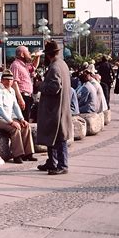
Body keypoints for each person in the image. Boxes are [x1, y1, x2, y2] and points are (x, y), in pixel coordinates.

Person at [36, 41, 72, 175]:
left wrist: (41, 85)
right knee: (53, 135)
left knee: (59, 136)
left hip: (55, 108)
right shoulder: (62, 64)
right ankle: (52, 161)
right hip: (60, 106)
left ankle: (62, 165)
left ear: (48, 55)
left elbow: (55, 87)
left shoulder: (55, 67)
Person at [0, 70, 36, 163]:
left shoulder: (12, 91)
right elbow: (0, 109)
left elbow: (15, 106)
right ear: (2, 80)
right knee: (15, 129)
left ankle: (28, 153)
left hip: (8, 118)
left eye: (11, 80)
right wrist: (11, 122)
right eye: (7, 80)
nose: (9, 82)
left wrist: (21, 119)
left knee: (26, 126)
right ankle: (17, 155)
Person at [10, 45, 42, 121]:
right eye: (27, 52)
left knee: (26, 119)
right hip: (22, 95)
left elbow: (34, 67)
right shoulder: (16, 65)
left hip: (28, 96)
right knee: (24, 120)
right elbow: (14, 82)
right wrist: (20, 99)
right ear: (22, 54)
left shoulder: (24, 65)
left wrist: (37, 57)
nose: (30, 53)